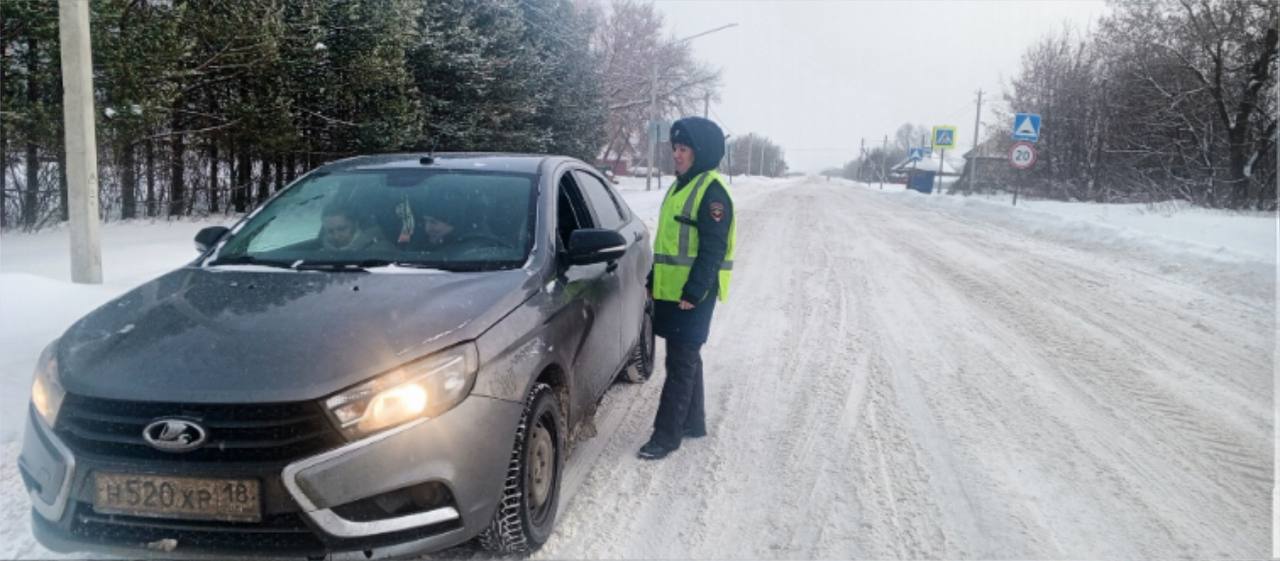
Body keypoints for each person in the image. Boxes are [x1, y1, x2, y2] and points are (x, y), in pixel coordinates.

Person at [639, 116, 736, 460]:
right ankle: (693, 422)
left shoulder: (711, 192)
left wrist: (694, 292)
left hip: (693, 295)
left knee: (680, 364)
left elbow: (713, 249)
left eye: (684, 149)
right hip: (674, 292)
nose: (676, 155)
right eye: (675, 148)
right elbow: (668, 244)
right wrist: (653, 280)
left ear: (701, 152)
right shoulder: (681, 186)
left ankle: (666, 437)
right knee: (686, 357)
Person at [319, 203, 387, 252]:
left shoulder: (380, 251)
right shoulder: (318, 254)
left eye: (342, 229)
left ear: (355, 224)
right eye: (330, 231)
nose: (336, 236)